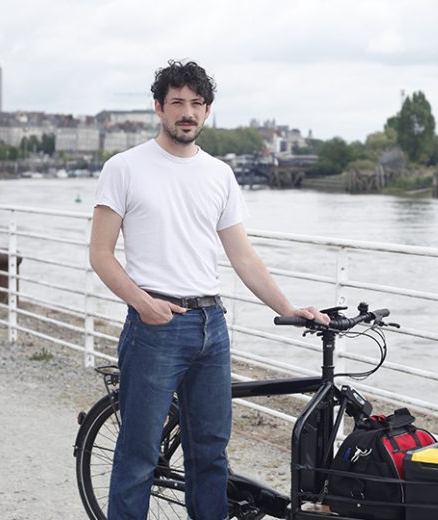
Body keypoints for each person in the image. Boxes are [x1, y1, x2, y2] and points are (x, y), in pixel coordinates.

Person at [89, 59, 328, 520]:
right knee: (139, 455)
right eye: (176, 102)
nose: (187, 112)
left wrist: (289, 308)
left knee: (211, 456)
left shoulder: (219, 174)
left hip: (211, 327)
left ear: (207, 111)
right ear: (158, 107)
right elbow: (100, 253)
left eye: (196, 104)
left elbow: (243, 257)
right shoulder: (125, 167)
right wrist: (142, 304)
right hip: (155, 327)